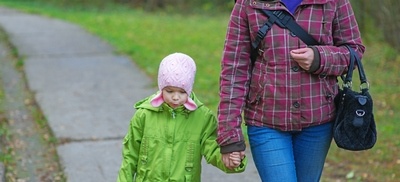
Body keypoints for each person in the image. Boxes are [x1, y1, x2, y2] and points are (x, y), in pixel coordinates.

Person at [217, 0, 365, 181]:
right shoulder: (248, 3)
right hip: (266, 120)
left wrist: (320, 58)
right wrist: (229, 135)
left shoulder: (334, 2)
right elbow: (234, 69)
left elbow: (354, 50)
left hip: (318, 121)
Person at [117, 52, 247, 182]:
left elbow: (212, 150)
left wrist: (231, 159)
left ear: (189, 90)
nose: (175, 97)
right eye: (169, 91)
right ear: (161, 87)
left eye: (182, 92)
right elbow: (130, 156)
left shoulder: (202, 118)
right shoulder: (144, 115)